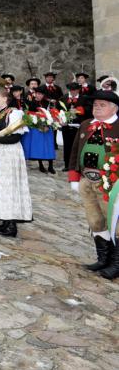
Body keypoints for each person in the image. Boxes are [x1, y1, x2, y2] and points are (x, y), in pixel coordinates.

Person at [68, 90, 119, 277]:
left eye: (102, 105)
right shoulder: (86, 124)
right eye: (95, 105)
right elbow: (75, 151)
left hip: (112, 185)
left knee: (116, 223)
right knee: (95, 221)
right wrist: (74, 177)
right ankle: (103, 259)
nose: (97, 108)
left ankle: (116, 263)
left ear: (114, 108)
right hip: (87, 181)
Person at [0, 87, 32, 237]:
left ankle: (11, 225)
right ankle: (4, 220)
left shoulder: (14, 113)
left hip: (9, 153)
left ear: (5, 98)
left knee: (8, 187)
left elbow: (15, 137)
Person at [22, 88, 57, 174]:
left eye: (41, 94)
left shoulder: (47, 103)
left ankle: (51, 165)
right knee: (39, 146)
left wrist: (48, 124)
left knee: (49, 146)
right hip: (37, 127)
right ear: (35, 94)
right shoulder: (31, 103)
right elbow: (29, 115)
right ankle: (40, 164)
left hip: (47, 127)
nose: (39, 96)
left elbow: (52, 114)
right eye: (37, 94)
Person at [61, 82, 84, 172]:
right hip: (66, 126)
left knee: (77, 145)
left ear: (78, 90)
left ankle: (77, 165)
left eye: (74, 90)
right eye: (71, 90)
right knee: (67, 145)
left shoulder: (83, 98)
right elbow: (59, 109)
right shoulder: (64, 98)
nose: (73, 92)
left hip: (78, 126)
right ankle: (67, 164)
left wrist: (78, 111)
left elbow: (87, 110)